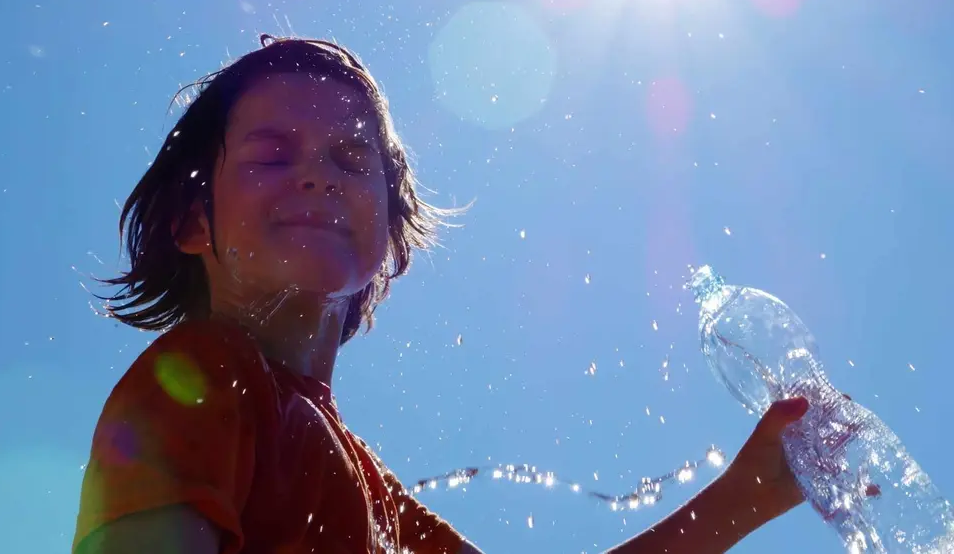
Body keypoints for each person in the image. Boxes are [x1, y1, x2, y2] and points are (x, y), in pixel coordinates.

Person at [72, 34, 809, 554]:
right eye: (272, 154)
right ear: (192, 221)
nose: (317, 175)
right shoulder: (198, 379)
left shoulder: (366, 482)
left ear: (390, 237)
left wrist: (742, 495)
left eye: (352, 158)